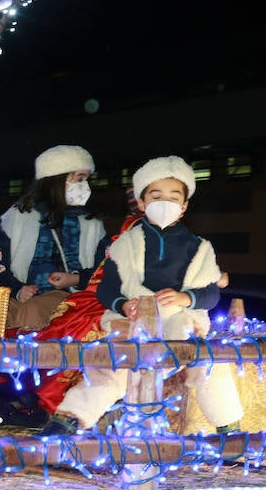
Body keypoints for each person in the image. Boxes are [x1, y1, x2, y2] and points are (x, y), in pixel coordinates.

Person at [40, 156, 243, 436]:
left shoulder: (200, 248)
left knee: (208, 363)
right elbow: (106, 289)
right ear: (142, 202)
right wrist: (123, 305)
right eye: (156, 195)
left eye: (174, 197)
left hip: (181, 323)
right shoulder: (124, 244)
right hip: (131, 324)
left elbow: (210, 293)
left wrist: (187, 299)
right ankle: (70, 419)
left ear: (184, 206)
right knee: (112, 368)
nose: (165, 202)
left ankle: (230, 428)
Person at [0, 145, 108, 331]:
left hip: (70, 299)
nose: (85, 186)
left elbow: (106, 268)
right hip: (18, 297)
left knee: (34, 310)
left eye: (86, 179)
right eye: (80, 178)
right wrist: (18, 289)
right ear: (57, 179)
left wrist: (75, 279)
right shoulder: (19, 217)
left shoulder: (91, 223)